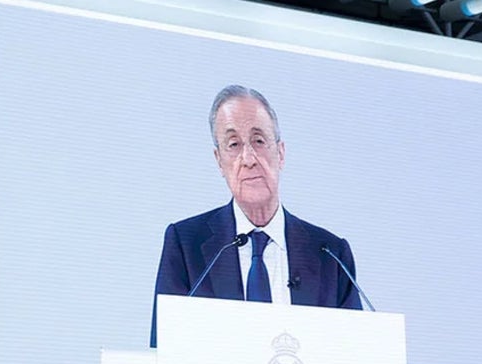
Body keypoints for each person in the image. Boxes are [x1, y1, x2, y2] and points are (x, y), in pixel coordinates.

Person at [150, 84, 362, 347]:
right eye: (233, 144)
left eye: (259, 141)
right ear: (219, 161)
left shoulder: (330, 255)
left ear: (280, 153)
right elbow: (162, 353)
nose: (248, 158)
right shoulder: (185, 246)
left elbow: (356, 356)